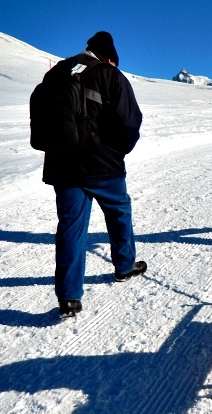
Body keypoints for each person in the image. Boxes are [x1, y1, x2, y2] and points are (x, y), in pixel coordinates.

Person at [41, 32, 146, 319]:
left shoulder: (59, 71)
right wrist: (118, 152)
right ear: (110, 58)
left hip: (63, 167)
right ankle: (124, 266)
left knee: (71, 227)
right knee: (119, 212)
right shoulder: (110, 75)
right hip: (103, 165)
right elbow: (129, 121)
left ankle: (69, 298)